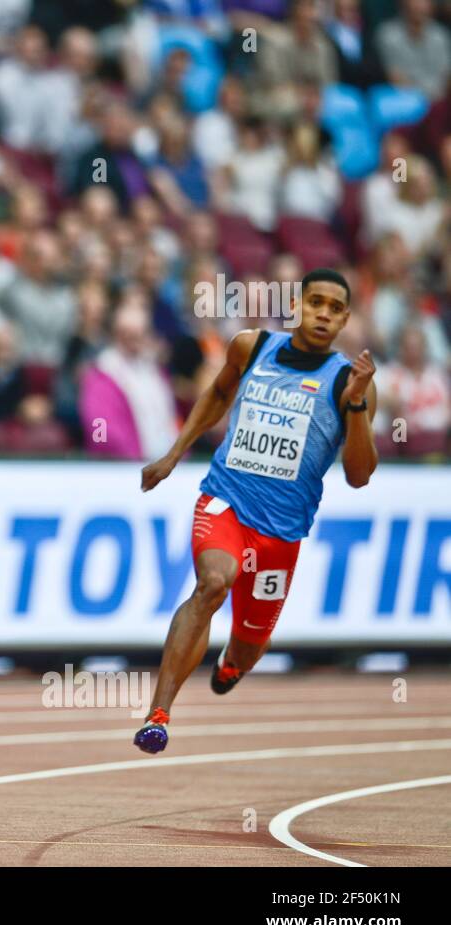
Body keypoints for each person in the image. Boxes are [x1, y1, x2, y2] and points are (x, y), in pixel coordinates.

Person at [134, 269, 377, 753]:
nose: (324, 314)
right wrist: (173, 454)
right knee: (212, 584)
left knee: (249, 644)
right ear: (297, 305)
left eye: (335, 308)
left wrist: (353, 408)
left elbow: (359, 475)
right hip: (226, 500)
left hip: (280, 536)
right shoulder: (251, 347)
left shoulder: (351, 382)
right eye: (316, 303)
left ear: (346, 318)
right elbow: (219, 394)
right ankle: (158, 715)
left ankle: (233, 664)